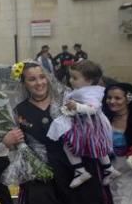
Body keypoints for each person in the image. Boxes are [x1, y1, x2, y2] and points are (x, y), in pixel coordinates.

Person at [3, 62, 120, 204]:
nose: (39, 83)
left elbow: (95, 122)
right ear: (24, 83)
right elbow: (13, 145)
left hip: (77, 170)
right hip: (40, 173)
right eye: (32, 79)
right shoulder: (17, 110)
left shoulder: (68, 98)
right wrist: (7, 140)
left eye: (42, 77)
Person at [46, 60, 115, 188]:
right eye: (70, 77)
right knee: (97, 146)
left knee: (68, 143)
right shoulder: (87, 90)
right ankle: (108, 168)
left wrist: (77, 106)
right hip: (86, 124)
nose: (71, 80)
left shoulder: (90, 92)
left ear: (88, 80)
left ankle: (80, 170)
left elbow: (92, 108)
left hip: (88, 126)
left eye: (75, 78)